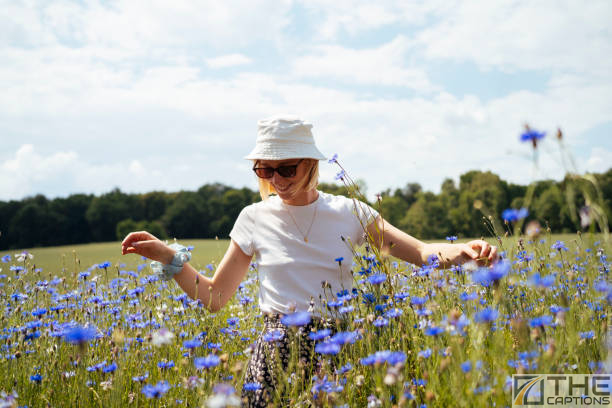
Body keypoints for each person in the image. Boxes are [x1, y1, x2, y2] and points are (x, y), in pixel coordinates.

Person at [121, 116, 498, 406]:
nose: (277, 180)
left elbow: (418, 253)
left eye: (287, 169)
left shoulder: (350, 211)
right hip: (275, 349)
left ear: (311, 164)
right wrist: (169, 258)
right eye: (266, 170)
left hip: (343, 347)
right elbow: (215, 297)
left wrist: (463, 251)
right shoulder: (253, 217)